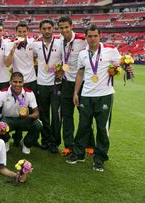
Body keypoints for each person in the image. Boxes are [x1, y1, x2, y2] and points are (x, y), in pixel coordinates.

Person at [66, 24, 133, 171]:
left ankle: (100, 158)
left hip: (104, 95)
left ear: (100, 35)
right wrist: (76, 93)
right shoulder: (83, 54)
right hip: (86, 95)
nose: (92, 39)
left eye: (95, 35)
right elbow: (80, 73)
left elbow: (121, 63)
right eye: (89, 36)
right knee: (83, 126)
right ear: (86, 37)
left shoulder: (110, 50)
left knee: (103, 128)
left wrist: (126, 68)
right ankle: (79, 154)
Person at [57, 16, 95, 156]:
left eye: (66, 27)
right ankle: (69, 145)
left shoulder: (82, 39)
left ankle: (90, 144)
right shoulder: (60, 42)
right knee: (67, 116)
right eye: (61, 28)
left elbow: (93, 50)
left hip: (82, 83)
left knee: (85, 115)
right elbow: (67, 61)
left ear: (71, 26)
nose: (64, 30)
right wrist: (62, 70)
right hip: (66, 83)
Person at [0, 72, 42, 153]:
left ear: (23, 82)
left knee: (38, 124)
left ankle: (26, 144)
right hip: (8, 120)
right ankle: (5, 141)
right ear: (10, 82)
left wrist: (27, 116)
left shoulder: (29, 93)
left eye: (20, 82)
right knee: (0, 124)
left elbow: (36, 113)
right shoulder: (3, 92)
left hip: (24, 120)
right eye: (15, 82)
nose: (17, 84)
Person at [32, 19, 63, 153]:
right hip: (41, 85)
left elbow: (67, 63)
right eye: (44, 28)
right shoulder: (35, 45)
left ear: (53, 29)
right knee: (44, 114)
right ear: (40, 30)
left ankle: (54, 142)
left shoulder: (60, 44)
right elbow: (32, 60)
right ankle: (45, 140)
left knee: (56, 115)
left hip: (56, 84)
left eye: (49, 28)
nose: (47, 31)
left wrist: (62, 70)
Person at [4, 21, 37, 147]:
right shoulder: (11, 45)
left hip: (31, 81)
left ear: (27, 32)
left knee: (30, 111)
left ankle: (30, 140)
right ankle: (16, 137)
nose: (22, 34)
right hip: (17, 83)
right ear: (16, 33)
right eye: (20, 32)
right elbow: (7, 63)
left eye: (24, 32)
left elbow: (38, 56)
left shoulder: (33, 44)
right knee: (16, 109)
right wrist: (13, 49)